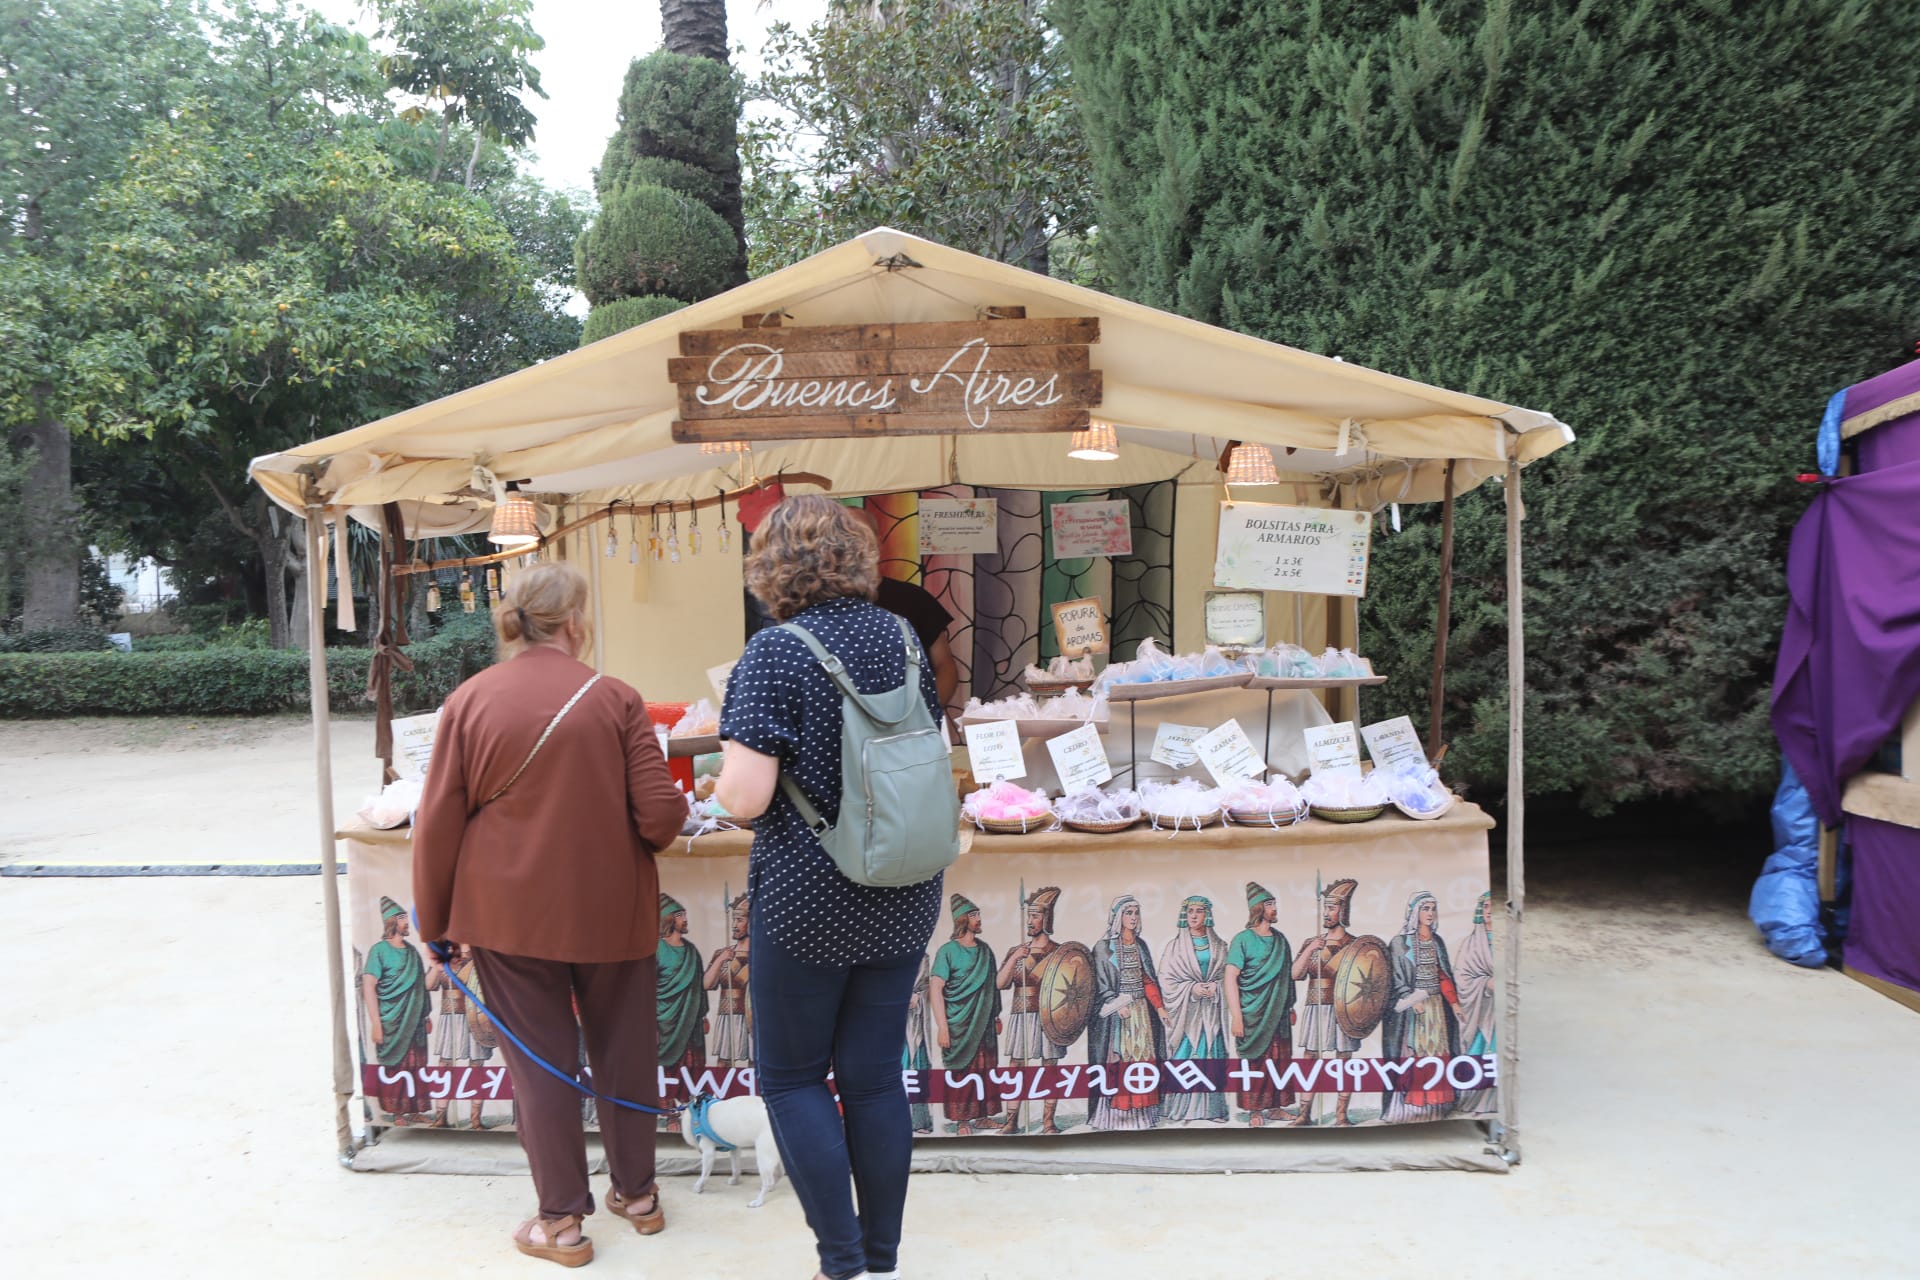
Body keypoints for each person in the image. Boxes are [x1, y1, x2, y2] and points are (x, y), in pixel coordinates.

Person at [414, 562, 686, 1267]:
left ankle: (562, 1223)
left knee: (541, 1066)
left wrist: (432, 920)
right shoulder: (616, 698)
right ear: (574, 622)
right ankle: (640, 1196)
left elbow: (437, 822)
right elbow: (660, 819)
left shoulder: (470, 700)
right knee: (625, 1054)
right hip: (613, 912)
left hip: (507, 916)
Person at [714, 494, 945, 1280]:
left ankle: (840, 1263)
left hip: (809, 896)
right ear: (855, 557)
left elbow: (744, 797)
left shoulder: (776, 651)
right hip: (905, 887)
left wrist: (721, 780)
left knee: (790, 1078)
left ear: (770, 569)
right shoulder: (904, 637)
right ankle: (880, 1259)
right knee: (875, 1077)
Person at [850, 506, 960, 709]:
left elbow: (945, 666)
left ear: (878, 540)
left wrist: (926, 714)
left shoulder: (913, 599)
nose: (854, 541)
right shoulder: (818, 607)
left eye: (860, 532)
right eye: (844, 534)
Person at [1381, 891, 1464, 1123]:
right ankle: (1411, 1107)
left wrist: (1455, 1003)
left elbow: (1442, 975)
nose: (1430, 913)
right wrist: (1410, 997)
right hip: (1412, 1012)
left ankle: (1437, 1106)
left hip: (1436, 1008)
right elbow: (1395, 979)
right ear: (1414, 912)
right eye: (1425, 908)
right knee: (1415, 1053)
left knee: (1437, 1054)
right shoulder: (1399, 943)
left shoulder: (1437, 941)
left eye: (1433, 909)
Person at [994, 885, 1070, 1134]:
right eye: (1029, 916)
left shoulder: (1059, 953)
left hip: (1049, 1015)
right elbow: (1000, 983)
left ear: (1045, 918)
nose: (1030, 921)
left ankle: (1048, 1121)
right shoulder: (1017, 951)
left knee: (1050, 1065)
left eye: (1035, 916)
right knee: (1016, 1065)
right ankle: (1012, 1120)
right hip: (1020, 1014)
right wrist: (1016, 956)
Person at [1087, 895, 1166, 1131]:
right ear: (1118, 916)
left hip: (1141, 1013)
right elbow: (1100, 986)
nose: (1132, 917)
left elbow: (1147, 980)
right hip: (1117, 1018)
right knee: (1120, 1063)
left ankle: (1141, 1115)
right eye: (1128, 912)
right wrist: (1115, 1003)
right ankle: (1115, 1118)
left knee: (1143, 1062)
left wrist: (1160, 1007)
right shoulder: (1102, 948)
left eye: (1136, 913)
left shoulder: (1140, 946)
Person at [1224, 882, 1298, 1127]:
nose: (1274, 908)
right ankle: (1255, 1110)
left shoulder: (1281, 940)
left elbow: (1287, 976)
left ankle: (1275, 1107)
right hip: (1252, 1013)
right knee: (1256, 1062)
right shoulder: (1242, 940)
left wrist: (1290, 1006)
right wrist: (1236, 1016)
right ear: (1258, 908)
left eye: (1274, 903)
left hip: (1277, 1012)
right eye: (1269, 904)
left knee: (1279, 1059)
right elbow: (1230, 977)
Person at [929, 893, 1001, 1136]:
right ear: (962, 920)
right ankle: (962, 1120)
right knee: (963, 1070)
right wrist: (942, 1026)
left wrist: (996, 1015)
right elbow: (936, 988)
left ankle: (982, 1117)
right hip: (958, 1022)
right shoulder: (948, 951)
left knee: (986, 1067)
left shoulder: (985, 950)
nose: (979, 919)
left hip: (984, 1022)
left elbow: (992, 985)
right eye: (974, 915)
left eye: (978, 914)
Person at [1291, 877, 1360, 1126]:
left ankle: (1341, 1114)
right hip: (1315, 1007)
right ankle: (1304, 1113)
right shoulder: (1312, 943)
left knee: (1343, 1058)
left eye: (1332, 908)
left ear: (1343, 910)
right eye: (1325, 908)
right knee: (1310, 1058)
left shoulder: (1355, 945)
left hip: (1344, 1008)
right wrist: (1311, 949)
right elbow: (1295, 974)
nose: (1326, 913)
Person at [1160, 894, 1230, 1124]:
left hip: (1211, 1012)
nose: (1193, 915)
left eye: (1198, 911)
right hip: (1186, 1014)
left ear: (1207, 915)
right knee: (1185, 1057)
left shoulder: (1220, 946)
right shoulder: (1174, 948)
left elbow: (1227, 978)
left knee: (1212, 1055)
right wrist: (1191, 989)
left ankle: (1212, 1110)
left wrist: (1216, 988)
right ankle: (1182, 1111)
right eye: (1190, 911)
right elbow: (1166, 981)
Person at [362, 895, 431, 1123]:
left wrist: (426, 1015)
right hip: (391, 1020)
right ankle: (398, 1112)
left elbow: (420, 985)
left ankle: (416, 1110)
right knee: (396, 1066)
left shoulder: (412, 952)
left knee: (416, 1063)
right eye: (402, 918)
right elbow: (369, 986)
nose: (406, 922)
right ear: (391, 921)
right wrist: (376, 1023)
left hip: (414, 1020)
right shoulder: (379, 951)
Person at [656, 894, 708, 1131]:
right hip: (664, 1020)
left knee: (691, 1065)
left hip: (690, 1019)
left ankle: (690, 1110)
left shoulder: (691, 950)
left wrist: (703, 1015)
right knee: (666, 1067)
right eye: (680, 915)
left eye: (685, 915)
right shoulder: (656, 949)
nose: (685, 919)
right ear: (668, 919)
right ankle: (669, 1114)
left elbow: (698, 985)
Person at [426, 941, 492, 1129]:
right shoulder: (444, 956)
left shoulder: (477, 956)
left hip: (475, 1016)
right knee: (445, 1065)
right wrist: (436, 964)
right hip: (450, 1018)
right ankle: (440, 1117)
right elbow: (429, 985)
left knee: (476, 1066)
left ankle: (475, 1119)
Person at [1453, 891, 1498, 1117]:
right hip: (1480, 1010)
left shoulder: (1505, 940)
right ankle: (1473, 1101)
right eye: (1486, 906)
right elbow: (1461, 977)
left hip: (1500, 1011)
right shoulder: (1470, 943)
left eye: (1494, 906)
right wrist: (1485, 984)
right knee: (1478, 1053)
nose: (1490, 911)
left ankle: (1493, 1104)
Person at [703, 892, 753, 1069]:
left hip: (752, 1016)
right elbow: (707, 984)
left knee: (755, 1064)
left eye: (739, 920)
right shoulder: (723, 953)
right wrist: (721, 959)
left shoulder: (761, 956)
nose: (734, 925)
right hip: (728, 1016)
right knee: (723, 1063)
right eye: (733, 920)